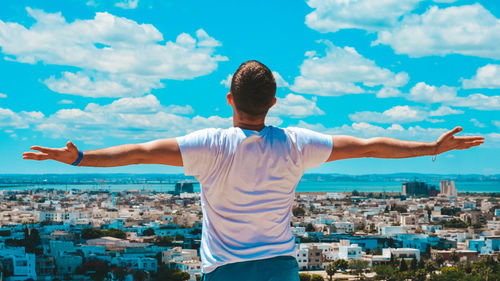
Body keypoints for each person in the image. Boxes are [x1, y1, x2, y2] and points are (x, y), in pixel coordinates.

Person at [23, 60, 484, 281]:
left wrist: (80, 159)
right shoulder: (297, 144)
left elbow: (138, 152)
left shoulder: (208, 145)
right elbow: (368, 146)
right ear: (274, 103)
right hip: (282, 268)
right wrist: (430, 146)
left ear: (229, 100)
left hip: (225, 271)